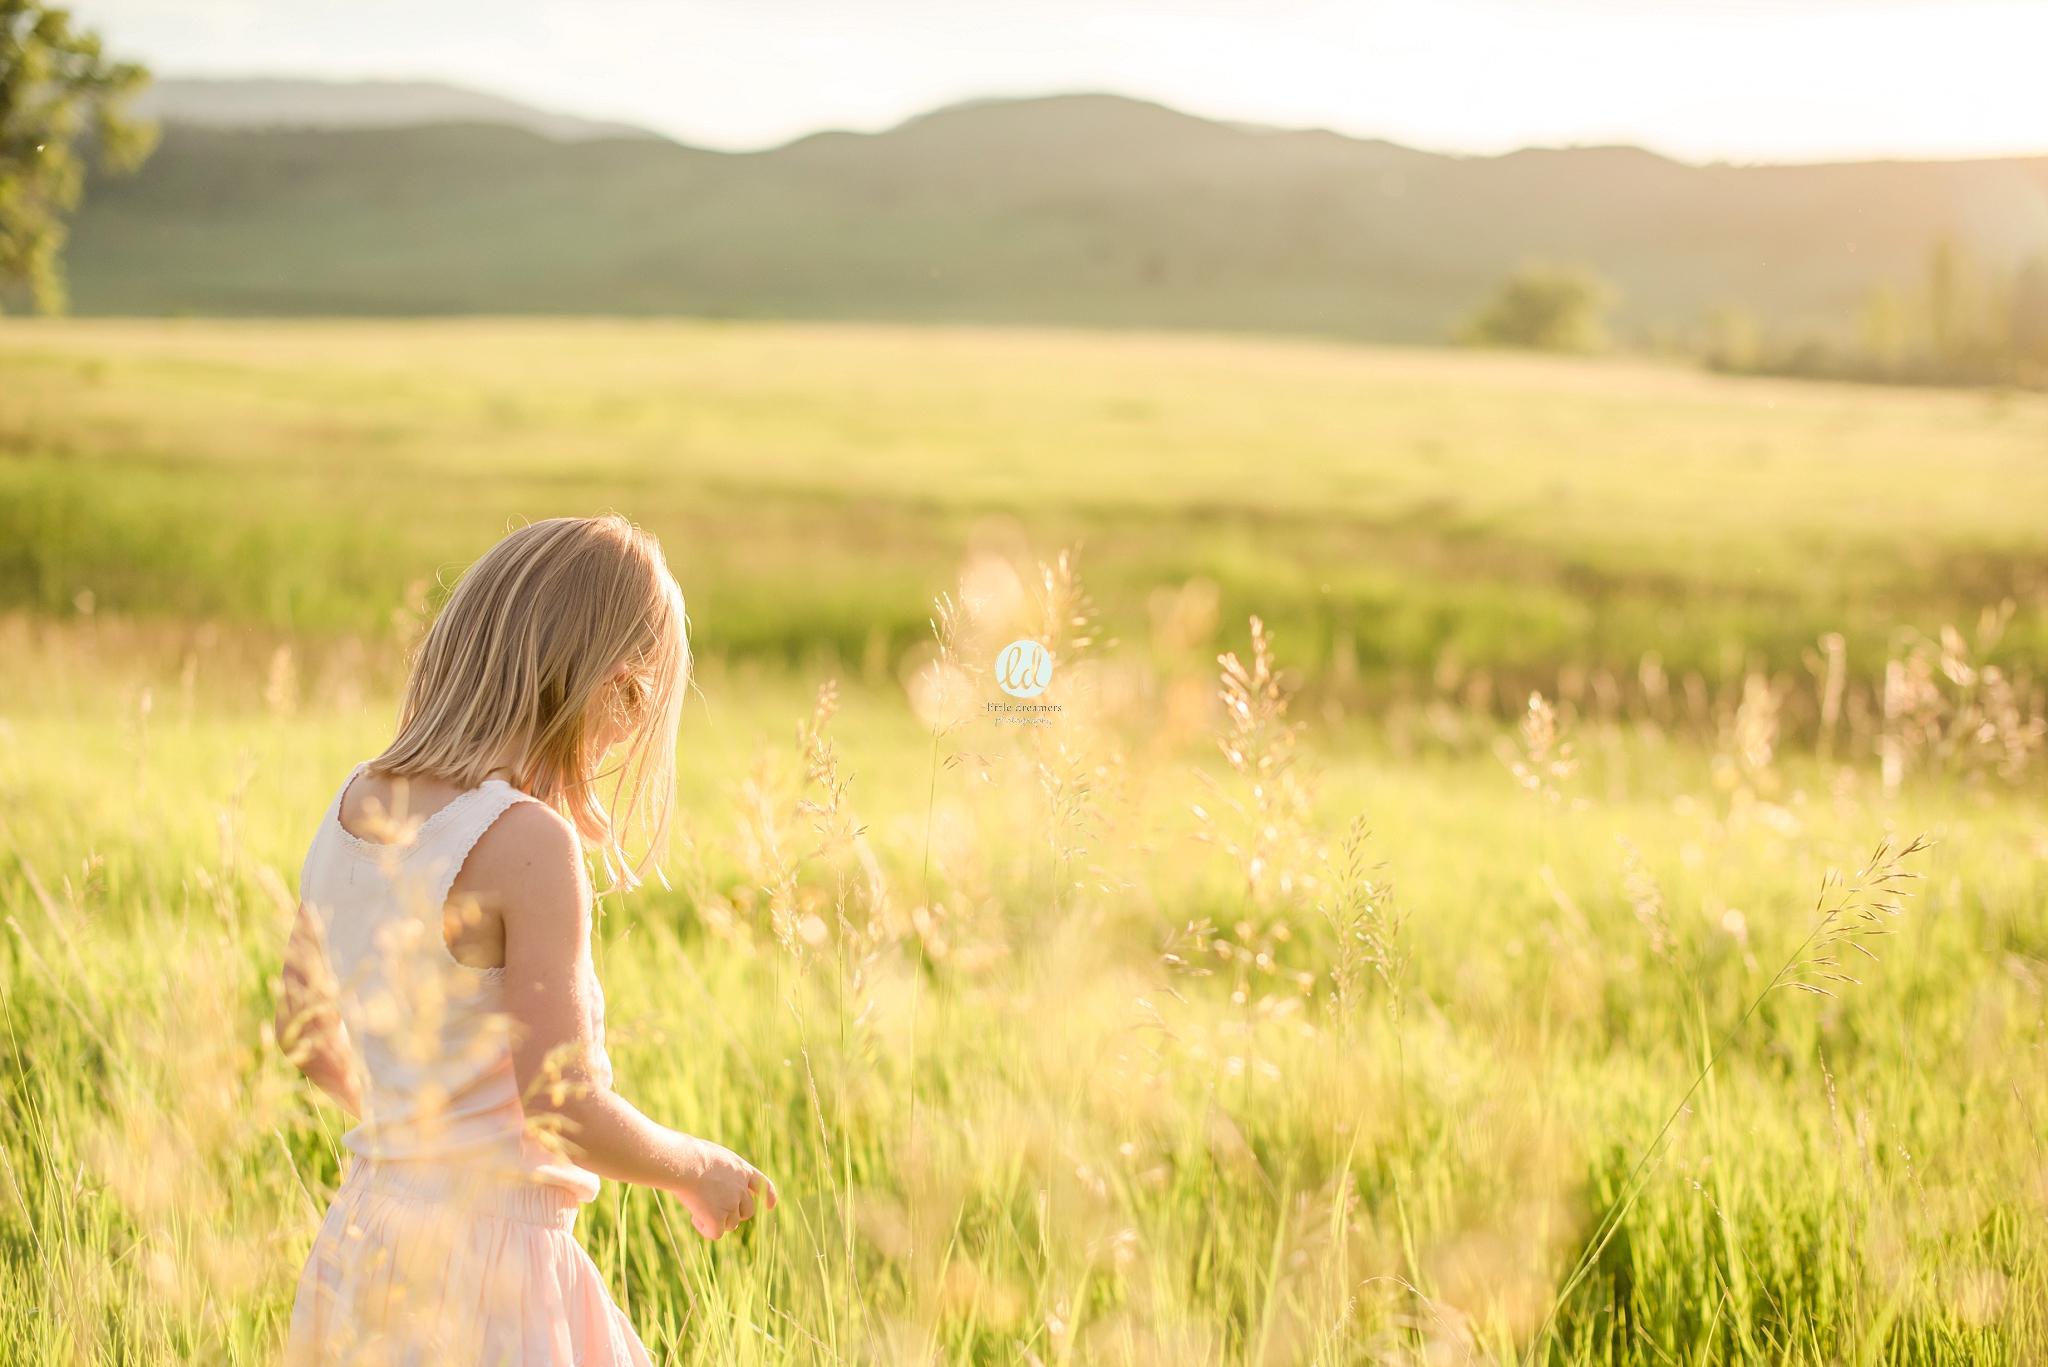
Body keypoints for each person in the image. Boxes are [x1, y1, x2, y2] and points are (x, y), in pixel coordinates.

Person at [273, 515, 774, 1365]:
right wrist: (698, 1167)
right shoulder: (527, 841)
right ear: (619, 690)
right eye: (633, 715)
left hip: (365, 1240)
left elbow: (304, 1032)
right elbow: (562, 1104)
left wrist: (422, 1145)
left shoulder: (358, 799)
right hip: (491, 1272)